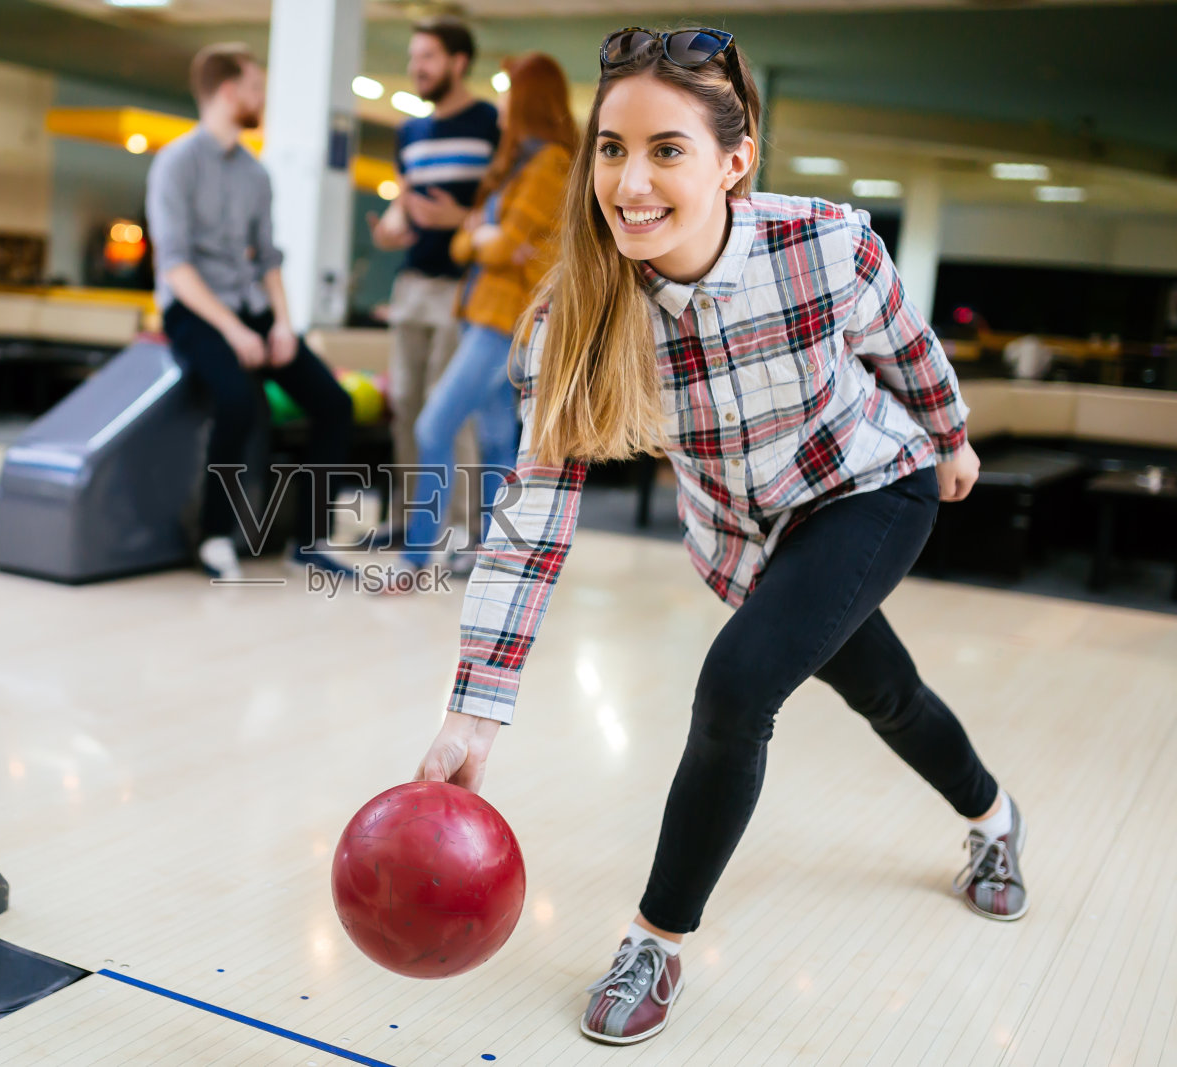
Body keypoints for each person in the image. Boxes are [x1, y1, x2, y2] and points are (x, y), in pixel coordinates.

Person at [413, 26, 1025, 1047]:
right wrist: (476, 707)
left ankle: (656, 936)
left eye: (666, 149)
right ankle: (995, 819)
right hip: (743, 541)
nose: (630, 180)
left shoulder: (822, 243)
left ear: (733, 163)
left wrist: (952, 437)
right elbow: (531, 518)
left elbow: (905, 346)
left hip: (870, 487)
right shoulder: (576, 312)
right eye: (611, 148)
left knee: (736, 688)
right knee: (887, 691)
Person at [146, 43, 353, 581]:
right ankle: (214, 536)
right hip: (195, 312)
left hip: (254, 308)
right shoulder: (175, 164)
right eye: (256, 88)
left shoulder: (256, 174)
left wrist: (283, 322)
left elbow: (267, 259)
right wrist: (234, 329)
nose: (262, 98)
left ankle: (308, 541)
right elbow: (175, 267)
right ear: (230, 92)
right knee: (237, 400)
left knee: (333, 404)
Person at [392, 53, 577, 576]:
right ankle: (493, 549)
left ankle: (416, 554)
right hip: (483, 312)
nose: (499, 100)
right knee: (497, 438)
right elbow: (467, 244)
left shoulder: (551, 164)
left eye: (506, 90)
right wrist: (482, 237)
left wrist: (487, 238)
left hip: (504, 321)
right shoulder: (517, 163)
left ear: (529, 98)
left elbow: (509, 244)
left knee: (434, 425)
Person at [368, 15, 500, 545]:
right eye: (413, 58)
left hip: (464, 288)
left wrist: (458, 220)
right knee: (406, 408)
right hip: (412, 285)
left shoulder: (490, 123)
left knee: (449, 412)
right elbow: (407, 204)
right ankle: (410, 521)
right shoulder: (410, 132)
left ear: (457, 62)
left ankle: (463, 528)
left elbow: (500, 211)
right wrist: (391, 231)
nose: (415, 68)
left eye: (426, 57)